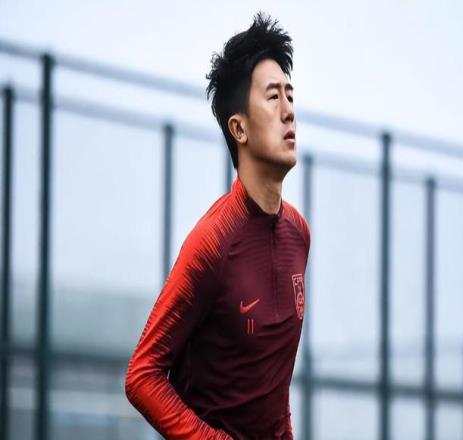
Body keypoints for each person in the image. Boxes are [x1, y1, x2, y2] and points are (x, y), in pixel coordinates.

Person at [125, 10, 310, 439]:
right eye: (273, 97)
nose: (289, 112)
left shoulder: (299, 234)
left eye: (291, 95)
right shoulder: (212, 243)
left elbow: (273, 389)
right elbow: (142, 375)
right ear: (239, 129)